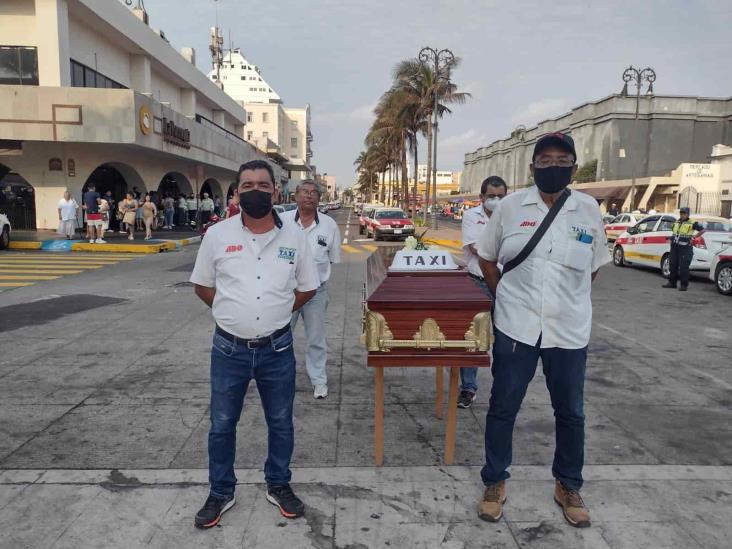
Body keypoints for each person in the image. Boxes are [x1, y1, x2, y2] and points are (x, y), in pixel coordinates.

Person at [476, 132, 610, 528]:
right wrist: (507, 298)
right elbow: (486, 259)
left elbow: (594, 266)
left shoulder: (588, 209)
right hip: (516, 327)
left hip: (568, 330)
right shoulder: (511, 207)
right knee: (503, 407)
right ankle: (495, 481)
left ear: (573, 164)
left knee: (571, 412)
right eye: (545, 160)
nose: (554, 166)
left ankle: (567, 484)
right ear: (532, 166)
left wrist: (567, 301)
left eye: (562, 159)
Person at [190, 159, 318, 529]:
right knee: (222, 424)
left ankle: (278, 484)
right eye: (247, 185)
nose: (256, 191)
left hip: (277, 349)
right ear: (237, 192)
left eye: (263, 185)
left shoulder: (296, 238)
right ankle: (220, 490)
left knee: (280, 422)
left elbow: (307, 288)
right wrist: (231, 311)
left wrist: (277, 313)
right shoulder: (218, 235)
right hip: (228, 350)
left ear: (276, 192)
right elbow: (202, 284)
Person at [284, 180, 341, 399]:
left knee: (316, 340)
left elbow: (333, 259)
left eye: (313, 193)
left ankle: (319, 381)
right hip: (286, 293)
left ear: (319, 198)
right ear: (296, 196)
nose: (309, 196)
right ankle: (282, 381)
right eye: (304, 192)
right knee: (280, 339)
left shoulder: (329, 226)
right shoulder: (281, 222)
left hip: (316, 293)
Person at [458, 175, 507, 409]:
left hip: (506, 285)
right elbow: (477, 249)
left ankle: (503, 387)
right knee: (472, 338)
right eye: (491, 196)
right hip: (477, 282)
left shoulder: (512, 217)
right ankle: (468, 387)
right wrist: (505, 254)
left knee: (505, 337)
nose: (496, 201)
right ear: (481, 197)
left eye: (500, 196)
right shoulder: (471, 216)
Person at [662, 206, 702, 291]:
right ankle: (672, 283)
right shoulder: (677, 222)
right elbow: (675, 233)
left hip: (685, 248)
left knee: (684, 267)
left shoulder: (692, 223)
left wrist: (694, 237)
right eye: (681, 213)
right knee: (673, 265)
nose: (682, 215)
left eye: (684, 213)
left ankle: (684, 285)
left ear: (688, 214)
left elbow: (702, 230)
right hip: (675, 247)